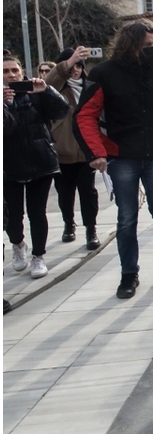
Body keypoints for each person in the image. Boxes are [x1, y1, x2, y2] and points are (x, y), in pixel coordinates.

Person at [73, 19, 153, 299]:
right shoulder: (104, 74)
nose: (150, 50)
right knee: (126, 218)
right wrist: (96, 152)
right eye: (145, 45)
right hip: (121, 156)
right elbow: (85, 115)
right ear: (130, 44)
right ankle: (129, 274)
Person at [3, 55, 70, 279]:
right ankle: (18, 244)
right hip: (9, 165)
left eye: (15, 70)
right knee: (12, 215)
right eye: (5, 71)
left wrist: (47, 91)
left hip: (40, 161)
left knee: (37, 213)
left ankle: (39, 256)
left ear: (22, 72)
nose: (11, 75)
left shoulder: (35, 94)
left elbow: (62, 111)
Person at [45, 47, 101, 250]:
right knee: (65, 192)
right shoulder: (55, 89)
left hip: (87, 151)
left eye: (78, 65)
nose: (75, 69)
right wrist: (67, 64)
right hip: (63, 150)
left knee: (88, 192)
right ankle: (69, 223)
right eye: (71, 65)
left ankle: (91, 229)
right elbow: (48, 82)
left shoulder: (91, 87)